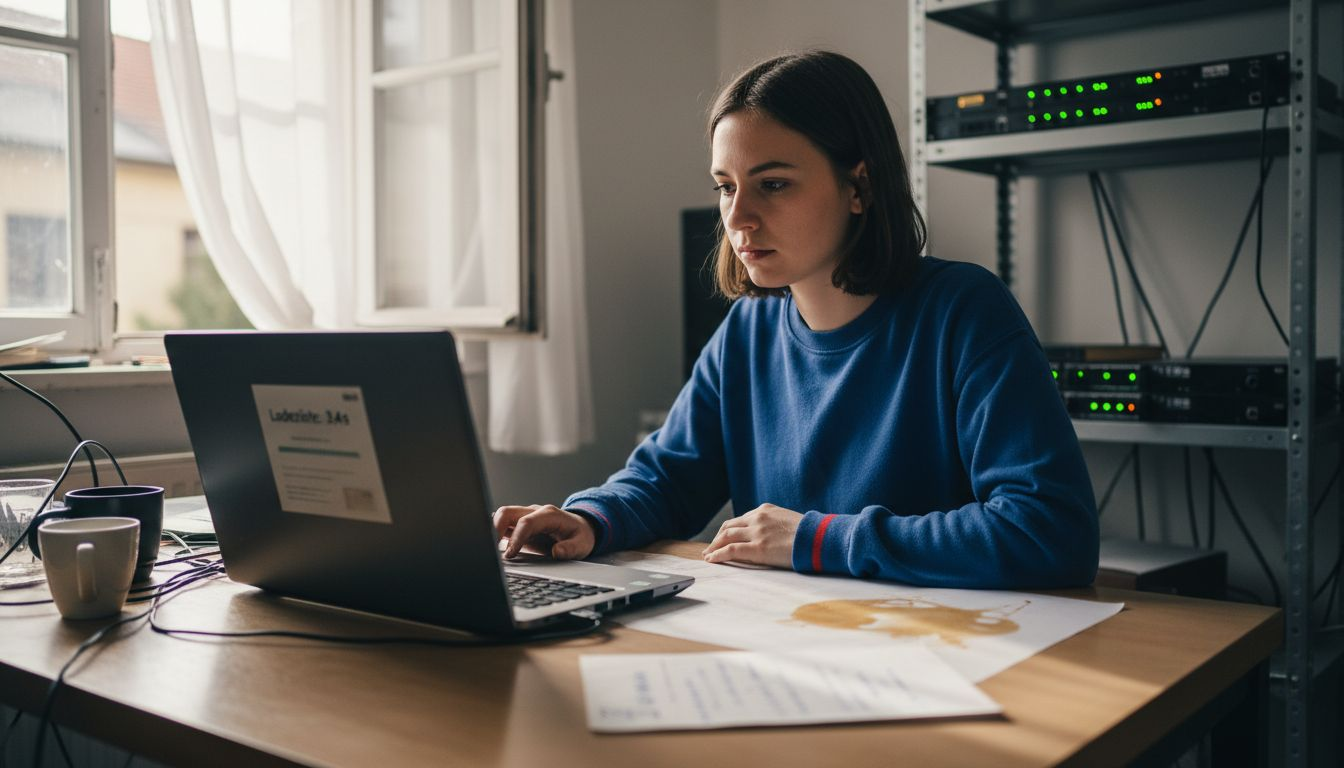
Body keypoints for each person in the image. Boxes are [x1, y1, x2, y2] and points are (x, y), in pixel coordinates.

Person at [493, 50, 1099, 589]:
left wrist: (815, 538)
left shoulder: (963, 311)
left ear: (859, 186)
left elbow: (1049, 530)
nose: (739, 218)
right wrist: (589, 518)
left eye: (774, 184)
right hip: (794, 641)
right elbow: (667, 480)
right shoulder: (746, 331)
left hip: (942, 649)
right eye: (725, 187)